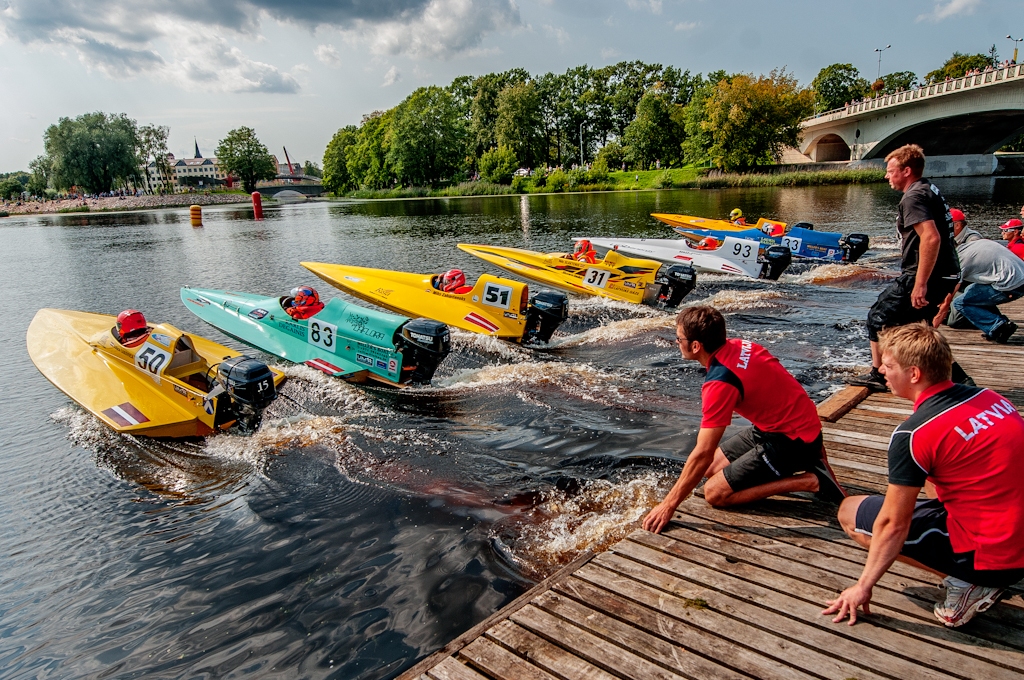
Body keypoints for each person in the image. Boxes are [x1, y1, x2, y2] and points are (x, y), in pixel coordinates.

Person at [824, 324, 1024, 628]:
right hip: (1015, 531)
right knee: (934, 476)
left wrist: (862, 586)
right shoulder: (990, 398)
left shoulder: (914, 433)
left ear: (914, 374)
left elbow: (893, 525)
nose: (880, 370)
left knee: (850, 512)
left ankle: (967, 583)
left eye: (888, 366)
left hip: (999, 557)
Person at [641, 306, 845, 534]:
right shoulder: (741, 346)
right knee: (710, 469)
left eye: (679, 338)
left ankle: (811, 481)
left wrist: (668, 504)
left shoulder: (720, 383)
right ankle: (811, 457)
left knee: (715, 493)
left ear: (696, 346)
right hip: (788, 426)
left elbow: (702, 452)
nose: (676, 342)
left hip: (792, 439)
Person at [847, 144, 969, 392]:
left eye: (890, 170)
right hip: (945, 272)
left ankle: (878, 375)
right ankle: (958, 379)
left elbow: (931, 238)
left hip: (927, 275)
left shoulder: (913, 196)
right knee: (918, 329)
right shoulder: (928, 190)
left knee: (878, 318)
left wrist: (920, 283)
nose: (886, 175)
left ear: (907, 171)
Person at [943, 237, 1024, 342]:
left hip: (1012, 285)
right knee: (971, 291)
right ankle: (1000, 326)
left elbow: (952, 290)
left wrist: (942, 310)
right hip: (1019, 277)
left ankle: (997, 325)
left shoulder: (960, 259)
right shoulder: (972, 245)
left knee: (960, 302)